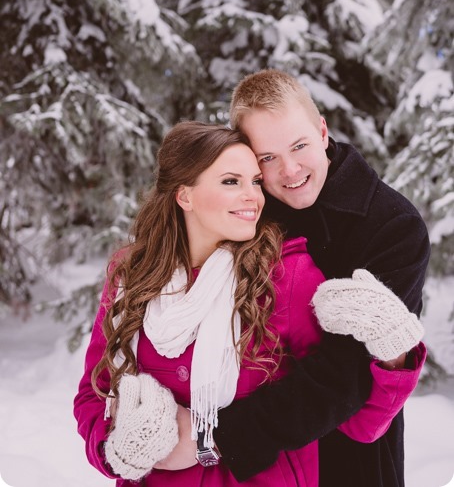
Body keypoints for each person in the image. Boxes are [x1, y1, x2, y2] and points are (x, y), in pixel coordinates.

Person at [74, 120, 426, 486]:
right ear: (185, 195)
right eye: (231, 181)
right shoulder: (131, 275)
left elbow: (357, 420)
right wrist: (115, 452)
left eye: (256, 181)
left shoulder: (285, 277)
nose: (253, 196)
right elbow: (93, 393)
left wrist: (393, 354)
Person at [200, 69, 429, 487]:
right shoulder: (245, 212)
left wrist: (221, 437)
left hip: (342, 458)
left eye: (299, 145)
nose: (289, 170)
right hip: (255, 470)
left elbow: (350, 374)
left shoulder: (393, 225)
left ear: (322, 131)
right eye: (267, 158)